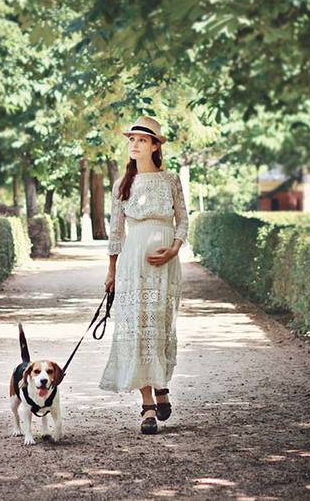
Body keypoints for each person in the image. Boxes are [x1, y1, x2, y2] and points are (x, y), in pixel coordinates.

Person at [98, 115, 189, 435]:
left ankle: (161, 385)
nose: (134, 144)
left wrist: (175, 248)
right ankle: (148, 404)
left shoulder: (171, 180)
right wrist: (111, 271)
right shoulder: (122, 185)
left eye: (140, 140)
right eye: (131, 140)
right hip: (132, 264)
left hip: (166, 265)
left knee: (160, 324)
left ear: (154, 145)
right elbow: (115, 233)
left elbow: (183, 221)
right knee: (137, 327)